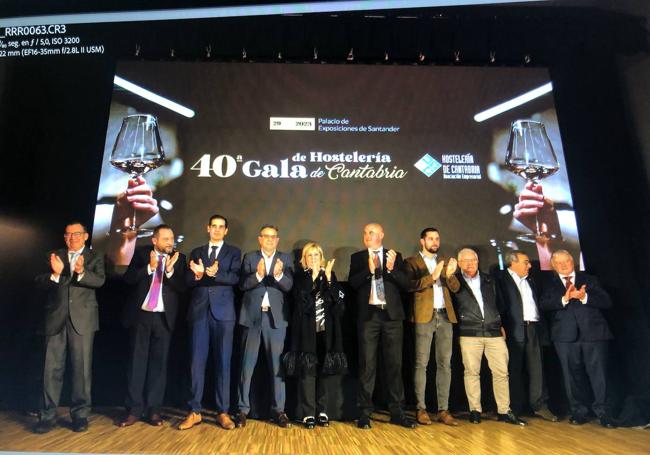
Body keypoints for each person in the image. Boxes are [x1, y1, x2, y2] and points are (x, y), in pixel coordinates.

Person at [33, 222, 106, 434]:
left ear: (86, 236)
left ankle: (80, 415)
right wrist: (55, 274)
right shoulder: (53, 255)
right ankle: (46, 416)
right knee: (50, 369)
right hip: (54, 319)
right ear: (64, 237)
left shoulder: (95, 256)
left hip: (83, 321)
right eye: (68, 234)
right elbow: (38, 280)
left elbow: (100, 281)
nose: (72, 237)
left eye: (77, 234)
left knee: (81, 371)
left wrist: (81, 271)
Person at [348, 223, 415, 429]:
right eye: (365, 232)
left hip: (392, 316)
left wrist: (391, 270)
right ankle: (365, 412)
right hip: (369, 317)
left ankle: (397, 411)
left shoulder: (395, 255)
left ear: (382, 235)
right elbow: (352, 283)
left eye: (371, 232)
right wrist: (369, 272)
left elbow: (406, 284)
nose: (367, 235)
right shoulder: (358, 257)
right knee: (367, 365)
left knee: (394, 365)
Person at [118, 224, 186, 427]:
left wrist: (171, 271)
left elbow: (184, 287)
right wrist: (149, 267)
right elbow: (128, 279)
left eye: (172, 238)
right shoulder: (141, 254)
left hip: (164, 318)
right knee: (137, 364)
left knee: (159, 366)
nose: (170, 242)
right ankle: (133, 410)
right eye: (166, 239)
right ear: (154, 241)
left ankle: (154, 411)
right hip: (141, 316)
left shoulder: (179, 258)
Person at [179, 215, 241, 431]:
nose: (216, 230)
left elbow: (235, 279)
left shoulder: (233, 252)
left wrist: (215, 274)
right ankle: (194, 411)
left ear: (226, 231)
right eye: (213, 226)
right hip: (199, 313)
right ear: (207, 229)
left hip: (224, 314)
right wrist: (196, 276)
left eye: (220, 227)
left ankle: (222, 411)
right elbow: (187, 281)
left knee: (223, 363)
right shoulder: (196, 252)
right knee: (196, 363)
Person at [451, 248, 526, 426]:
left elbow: (500, 303)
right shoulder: (455, 281)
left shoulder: (489, 279)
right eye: (466, 260)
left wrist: (500, 324)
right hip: (469, 332)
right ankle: (475, 410)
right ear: (459, 263)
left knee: (501, 372)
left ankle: (504, 410)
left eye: (473, 260)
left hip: (493, 332)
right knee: (471, 372)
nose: (470, 264)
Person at [540, 250, 615, 428]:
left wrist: (584, 297)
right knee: (571, 377)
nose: (564, 265)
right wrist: (564, 299)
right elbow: (543, 304)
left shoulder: (589, 280)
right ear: (553, 266)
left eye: (567, 261)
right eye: (559, 263)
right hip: (565, 337)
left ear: (572, 261)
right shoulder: (549, 284)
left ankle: (603, 413)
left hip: (594, 335)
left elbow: (606, 301)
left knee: (599, 376)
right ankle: (579, 412)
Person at [282, 242, 347, 429]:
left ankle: (323, 411)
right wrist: (314, 280)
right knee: (308, 374)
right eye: (309, 256)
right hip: (306, 333)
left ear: (321, 258)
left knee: (324, 372)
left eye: (316, 256)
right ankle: (308, 414)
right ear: (304, 260)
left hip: (326, 332)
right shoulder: (300, 278)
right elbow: (302, 304)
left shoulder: (330, 276)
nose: (313, 259)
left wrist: (326, 279)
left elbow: (339, 305)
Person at [235, 225, 294, 428]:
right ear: (259, 239)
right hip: (251, 318)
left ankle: (279, 411)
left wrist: (277, 275)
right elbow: (242, 285)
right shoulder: (250, 257)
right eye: (266, 237)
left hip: (276, 319)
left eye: (273, 237)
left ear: (277, 240)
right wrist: (259, 275)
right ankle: (242, 410)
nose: (269, 240)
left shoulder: (285, 259)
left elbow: (289, 287)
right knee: (246, 366)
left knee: (277, 368)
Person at [404, 227, 460, 426]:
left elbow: (455, 288)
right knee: (422, 363)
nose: (435, 242)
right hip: (423, 317)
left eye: (437, 238)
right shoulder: (411, 262)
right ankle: (421, 408)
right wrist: (432, 277)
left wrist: (451, 275)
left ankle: (443, 410)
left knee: (445, 363)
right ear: (422, 241)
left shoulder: (443, 262)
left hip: (445, 316)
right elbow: (409, 285)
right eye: (431, 239)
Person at [494, 250, 557, 421]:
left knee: (537, 369)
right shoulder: (499, 280)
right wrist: (499, 326)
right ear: (513, 263)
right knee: (513, 369)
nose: (529, 265)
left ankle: (539, 405)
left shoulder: (531, 280)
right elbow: (497, 305)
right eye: (526, 262)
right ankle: (514, 406)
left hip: (534, 328)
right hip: (512, 329)